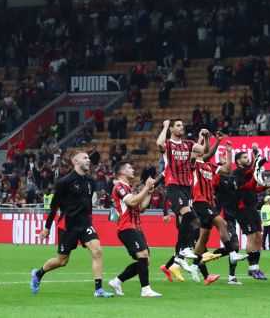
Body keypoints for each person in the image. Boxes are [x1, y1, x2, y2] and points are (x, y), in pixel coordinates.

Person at [30, 151, 114, 297]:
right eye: (85, 158)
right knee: (62, 261)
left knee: (97, 251)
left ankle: (99, 289)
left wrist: (90, 219)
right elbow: (54, 206)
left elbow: (87, 203)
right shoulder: (65, 182)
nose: (88, 160)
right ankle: (38, 273)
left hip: (85, 224)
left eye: (88, 158)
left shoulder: (91, 181)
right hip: (68, 225)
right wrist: (47, 228)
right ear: (75, 161)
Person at [157, 119, 212, 279]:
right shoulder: (167, 144)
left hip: (186, 187)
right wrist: (165, 125)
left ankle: (180, 255)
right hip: (173, 185)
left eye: (182, 125)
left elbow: (205, 151)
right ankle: (188, 251)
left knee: (186, 221)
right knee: (191, 218)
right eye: (178, 125)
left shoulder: (188, 144)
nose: (182, 127)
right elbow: (159, 142)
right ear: (173, 129)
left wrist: (207, 138)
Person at [189, 136, 248, 284]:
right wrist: (203, 139)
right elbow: (200, 151)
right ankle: (233, 253)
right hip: (200, 202)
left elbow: (228, 169)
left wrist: (228, 151)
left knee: (204, 238)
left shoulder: (210, 167)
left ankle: (195, 266)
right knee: (222, 223)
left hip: (209, 203)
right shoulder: (194, 164)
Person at [107, 161, 161, 297]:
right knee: (142, 255)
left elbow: (141, 207)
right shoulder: (119, 187)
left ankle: (117, 281)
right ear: (122, 172)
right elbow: (132, 202)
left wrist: (148, 192)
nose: (133, 169)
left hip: (136, 227)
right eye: (129, 168)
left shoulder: (129, 189)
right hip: (126, 227)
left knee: (145, 260)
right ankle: (145, 289)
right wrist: (145, 187)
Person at [234, 148, 270, 280]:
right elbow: (252, 170)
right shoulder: (239, 172)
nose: (247, 159)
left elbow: (252, 188)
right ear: (238, 161)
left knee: (258, 236)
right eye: (244, 157)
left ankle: (256, 267)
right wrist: (257, 159)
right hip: (242, 209)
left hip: (252, 208)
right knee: (251, 237)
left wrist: (265, 187)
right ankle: (252, 268)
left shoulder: (248, 173)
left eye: (247, 157)